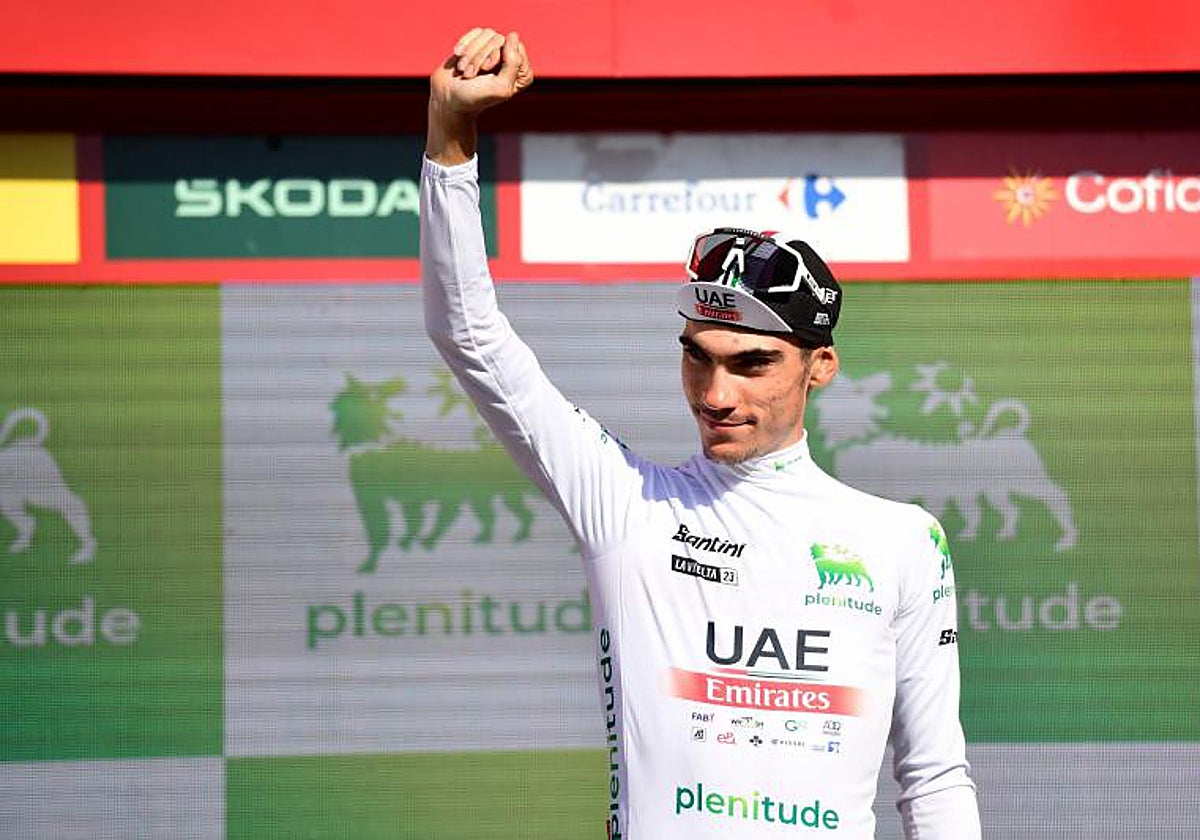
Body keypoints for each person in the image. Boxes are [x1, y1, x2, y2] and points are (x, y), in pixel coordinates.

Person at [421, 27, 981, 839]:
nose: (715, 394)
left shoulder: (902, 541)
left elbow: (933, 778)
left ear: (820, 366)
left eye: (751, 364)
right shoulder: (627, 504)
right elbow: (468, 333)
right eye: (697, 357)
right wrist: (450, 137)